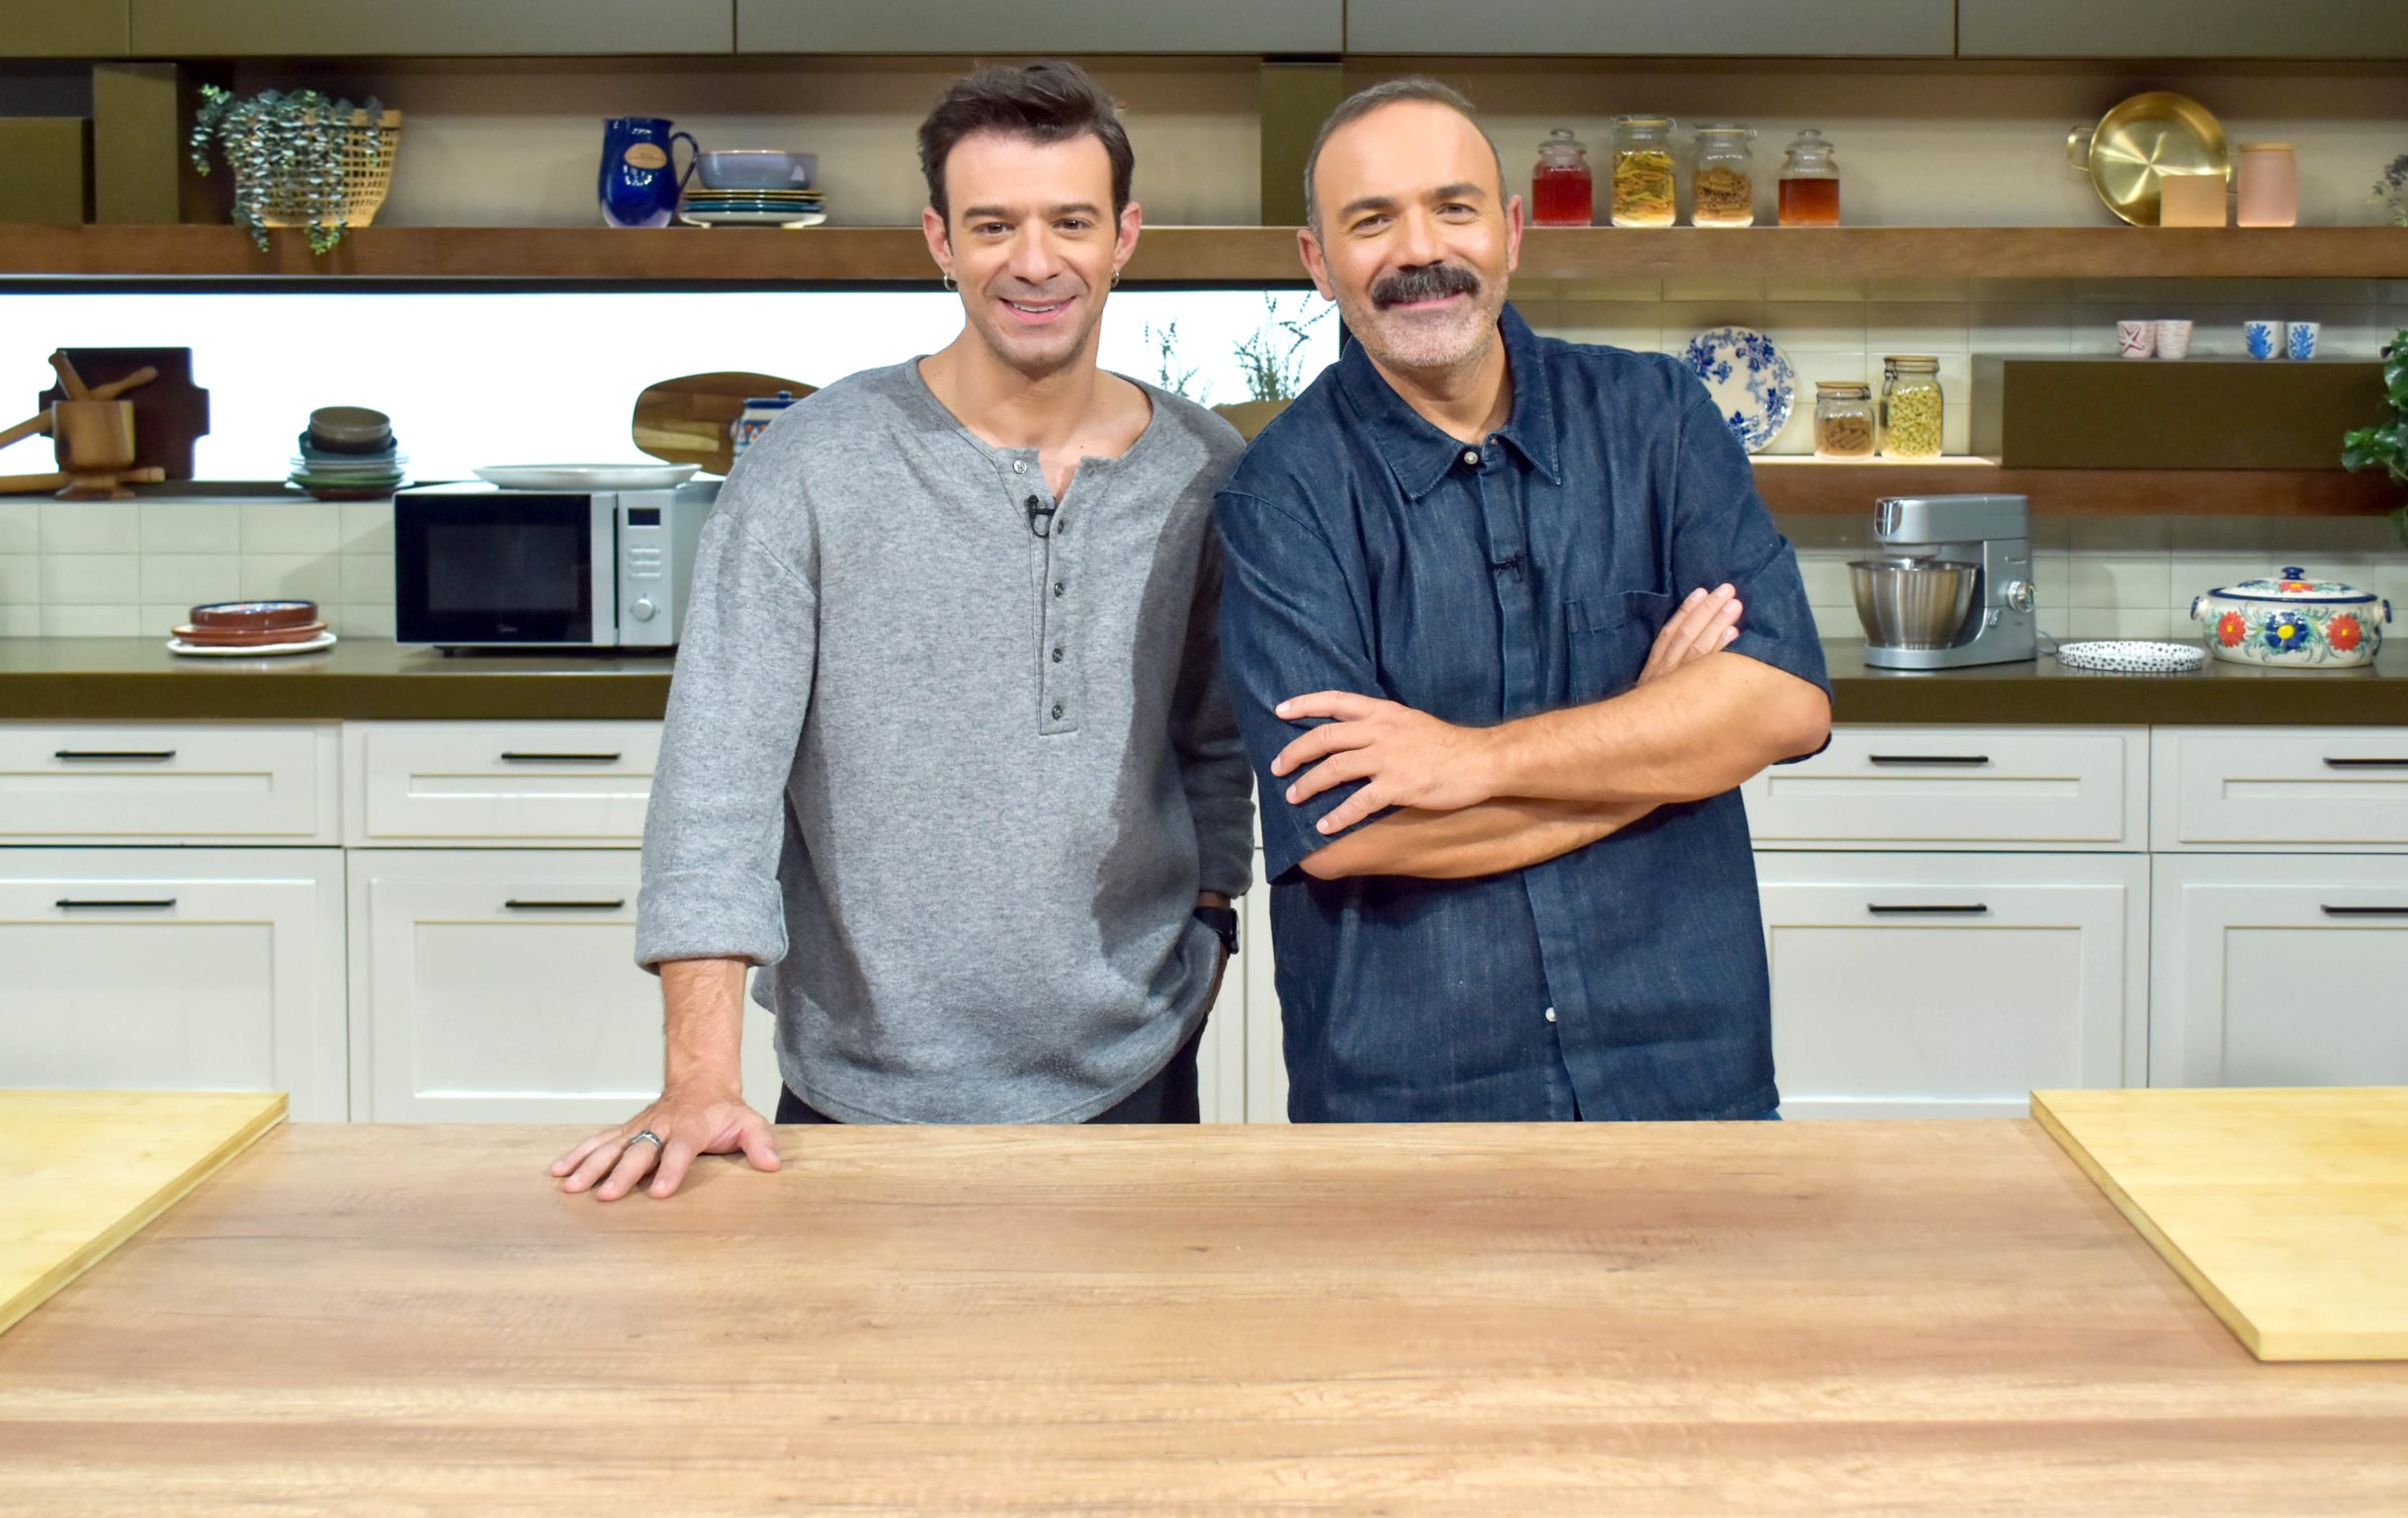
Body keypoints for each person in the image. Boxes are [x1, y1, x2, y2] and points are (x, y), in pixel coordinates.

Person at [555, 61, 1252, 1201]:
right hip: (857, 1095)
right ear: (939, 239)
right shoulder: (809, 467)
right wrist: (698, 1077)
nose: (1035, 261)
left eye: (1071, 221)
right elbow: (716, 786)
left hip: (1136, 1073)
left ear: (1125, 235)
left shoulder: (1205, 469)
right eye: (994, 225)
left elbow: (1215, 741)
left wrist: (1212, 920)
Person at [1214, 78, 1834, 1124]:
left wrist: (1472, 760)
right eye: (1371, 221)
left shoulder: (1659, 418)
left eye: (1453, 208)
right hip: (1410, 1096)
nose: (1419, 249)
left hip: (1687, 1071)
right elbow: (1349, 830)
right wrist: (1663, 748)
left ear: (1510, 230)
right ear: (1317, 261)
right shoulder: (1279, 496)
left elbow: (1782, 704)